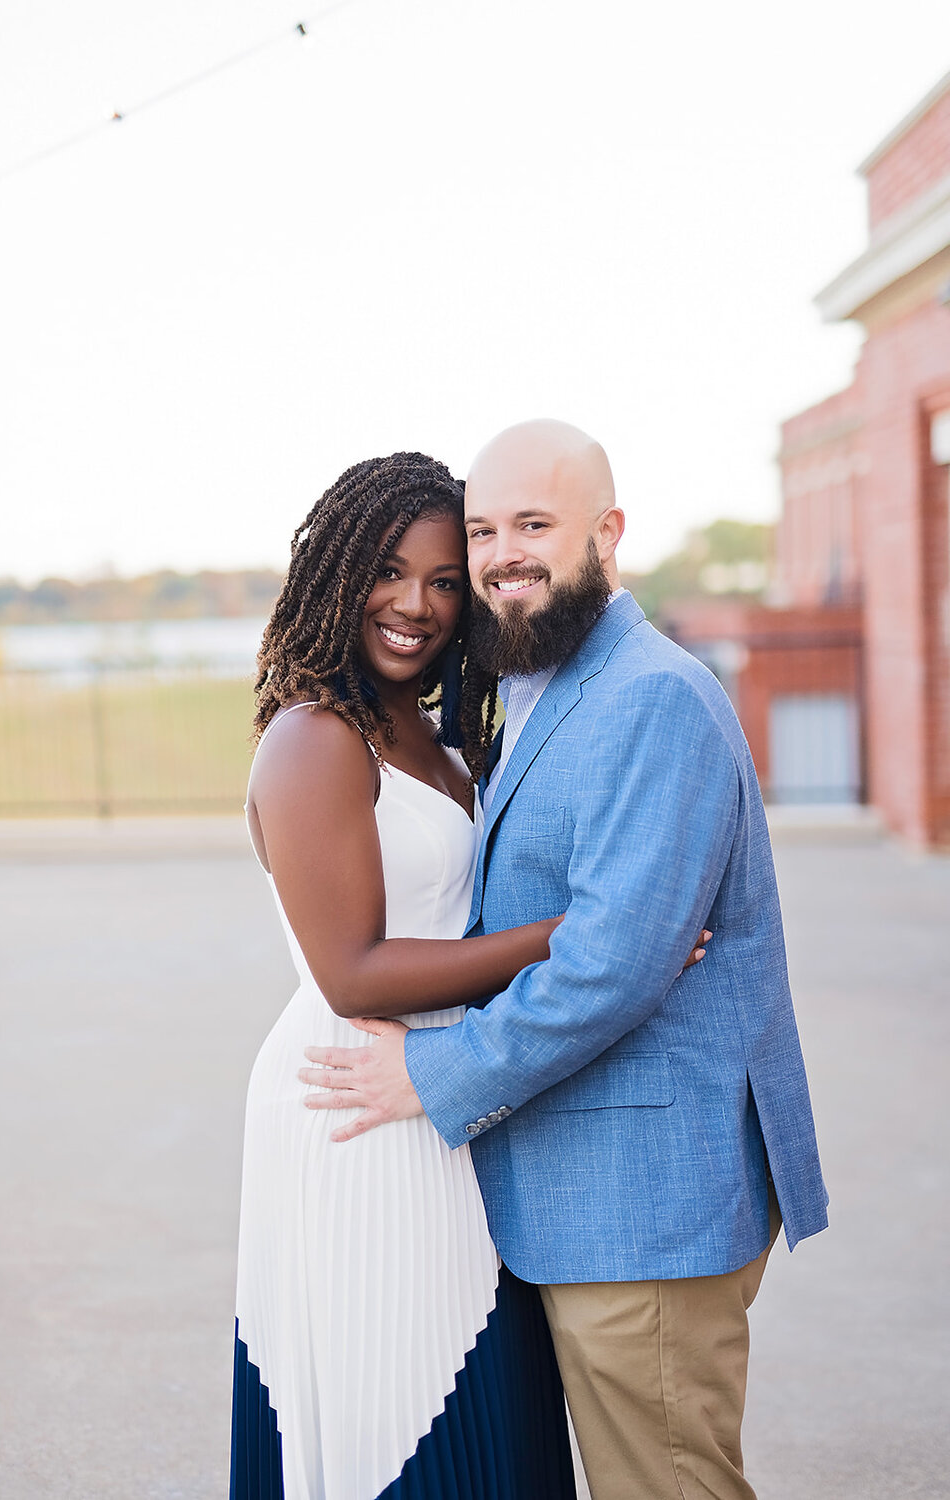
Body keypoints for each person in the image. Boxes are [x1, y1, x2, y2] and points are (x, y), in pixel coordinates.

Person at [302, 421, 830, 1500]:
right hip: (585, 1195)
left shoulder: (649, 697)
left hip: (647, 1209)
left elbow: (611, 969)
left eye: (534, 524)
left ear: (608, 531)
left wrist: (430, 1071)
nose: (503, 556)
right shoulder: (544, 678)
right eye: (485, 531)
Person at [230, 448, 712, 1500]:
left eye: (446, 581)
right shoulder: (316, 737)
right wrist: (587, 932)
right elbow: (354, 973)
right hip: (354, 1101)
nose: (417, 605)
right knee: (393, 1410)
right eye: (389, 572)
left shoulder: (441, 737)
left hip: (447, 1083)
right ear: (335, 572)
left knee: (481, 1395)